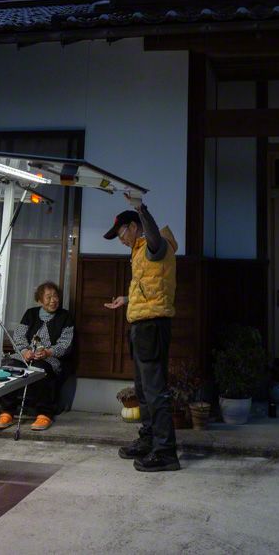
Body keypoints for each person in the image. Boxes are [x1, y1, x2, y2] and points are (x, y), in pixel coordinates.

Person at [104, 195, 180, 472]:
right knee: (143, 390)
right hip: (141, 323)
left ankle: (165, 452)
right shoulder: (138, 252)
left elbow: (154, 239)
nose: (121, 239)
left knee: (154, 391)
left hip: (152, 326)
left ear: (134, 227)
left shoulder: (153, 245)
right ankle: (149, 440)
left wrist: (141, 208)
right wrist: (126, 299)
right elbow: (151, 287)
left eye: (122, 233)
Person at [0, 281, 74, 432]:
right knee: (10, 366)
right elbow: (19, 336)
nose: (53, 300)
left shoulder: (65, 317)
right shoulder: (30, 314)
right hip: (26, 354)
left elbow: (65, 344)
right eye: (48, 297)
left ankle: (44, 413)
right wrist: (24, 351)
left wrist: (48, 352)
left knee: (40, 369)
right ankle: (7, 411)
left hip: (50, 357)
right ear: (39, 300)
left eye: (55, 296)